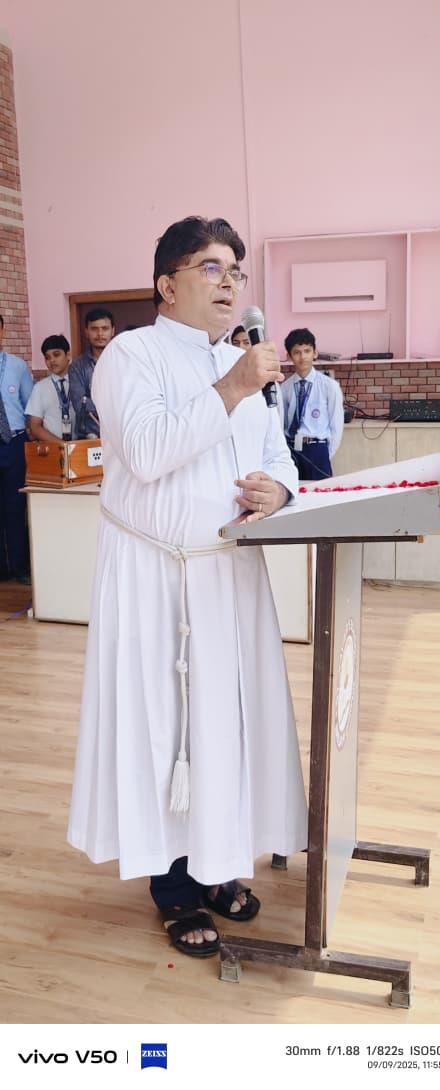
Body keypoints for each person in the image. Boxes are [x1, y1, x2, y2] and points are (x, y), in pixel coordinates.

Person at [68, 215, 308, 959]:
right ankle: (174, 888)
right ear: (167, 286)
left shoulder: (242, 365)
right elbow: (146, 453)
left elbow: (278, 457)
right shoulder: (131, 355)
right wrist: (232, 386)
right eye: (211, 267)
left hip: (229, 574)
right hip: (158, 579)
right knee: (167, 727)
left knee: (227, 725)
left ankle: (215, 865)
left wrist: (279, 490)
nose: (230, 282)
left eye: (236, 269)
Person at [281, 327, 344, 480]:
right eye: (297, 352)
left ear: (315, 353)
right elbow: (282, 424)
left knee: (321, 493)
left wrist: (325, 455)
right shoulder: (285, 388)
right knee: (294, 493)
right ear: (289, 356)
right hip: (292, 450)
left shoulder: (329, 386)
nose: (303, 357)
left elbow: (336, 426)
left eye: (307, 351)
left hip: (318, 449)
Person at [0, 313, 33, 584]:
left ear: (2, 332)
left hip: (14, 442)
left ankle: (20, 566)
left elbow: (29, 405)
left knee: (15, 505)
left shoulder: (18, 366)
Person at [69, 308, 115, 437]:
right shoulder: (77, 366)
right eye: (94, 329)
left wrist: (92, 402)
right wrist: (114, 404)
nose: (100, 334)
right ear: (86, 332)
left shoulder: (124, 362)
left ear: (113, 331)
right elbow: (80, 405)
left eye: (105, 328)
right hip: (89, 436)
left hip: (120, 435)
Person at [26, 335, 77, 442]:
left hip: (81, 446)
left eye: (56, 355)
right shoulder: (40, 388)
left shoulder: (79, 383)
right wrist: (62, 445)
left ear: (68, 355)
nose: (52, 360)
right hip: (52, 447)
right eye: (47, 357)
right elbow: (35, 426)